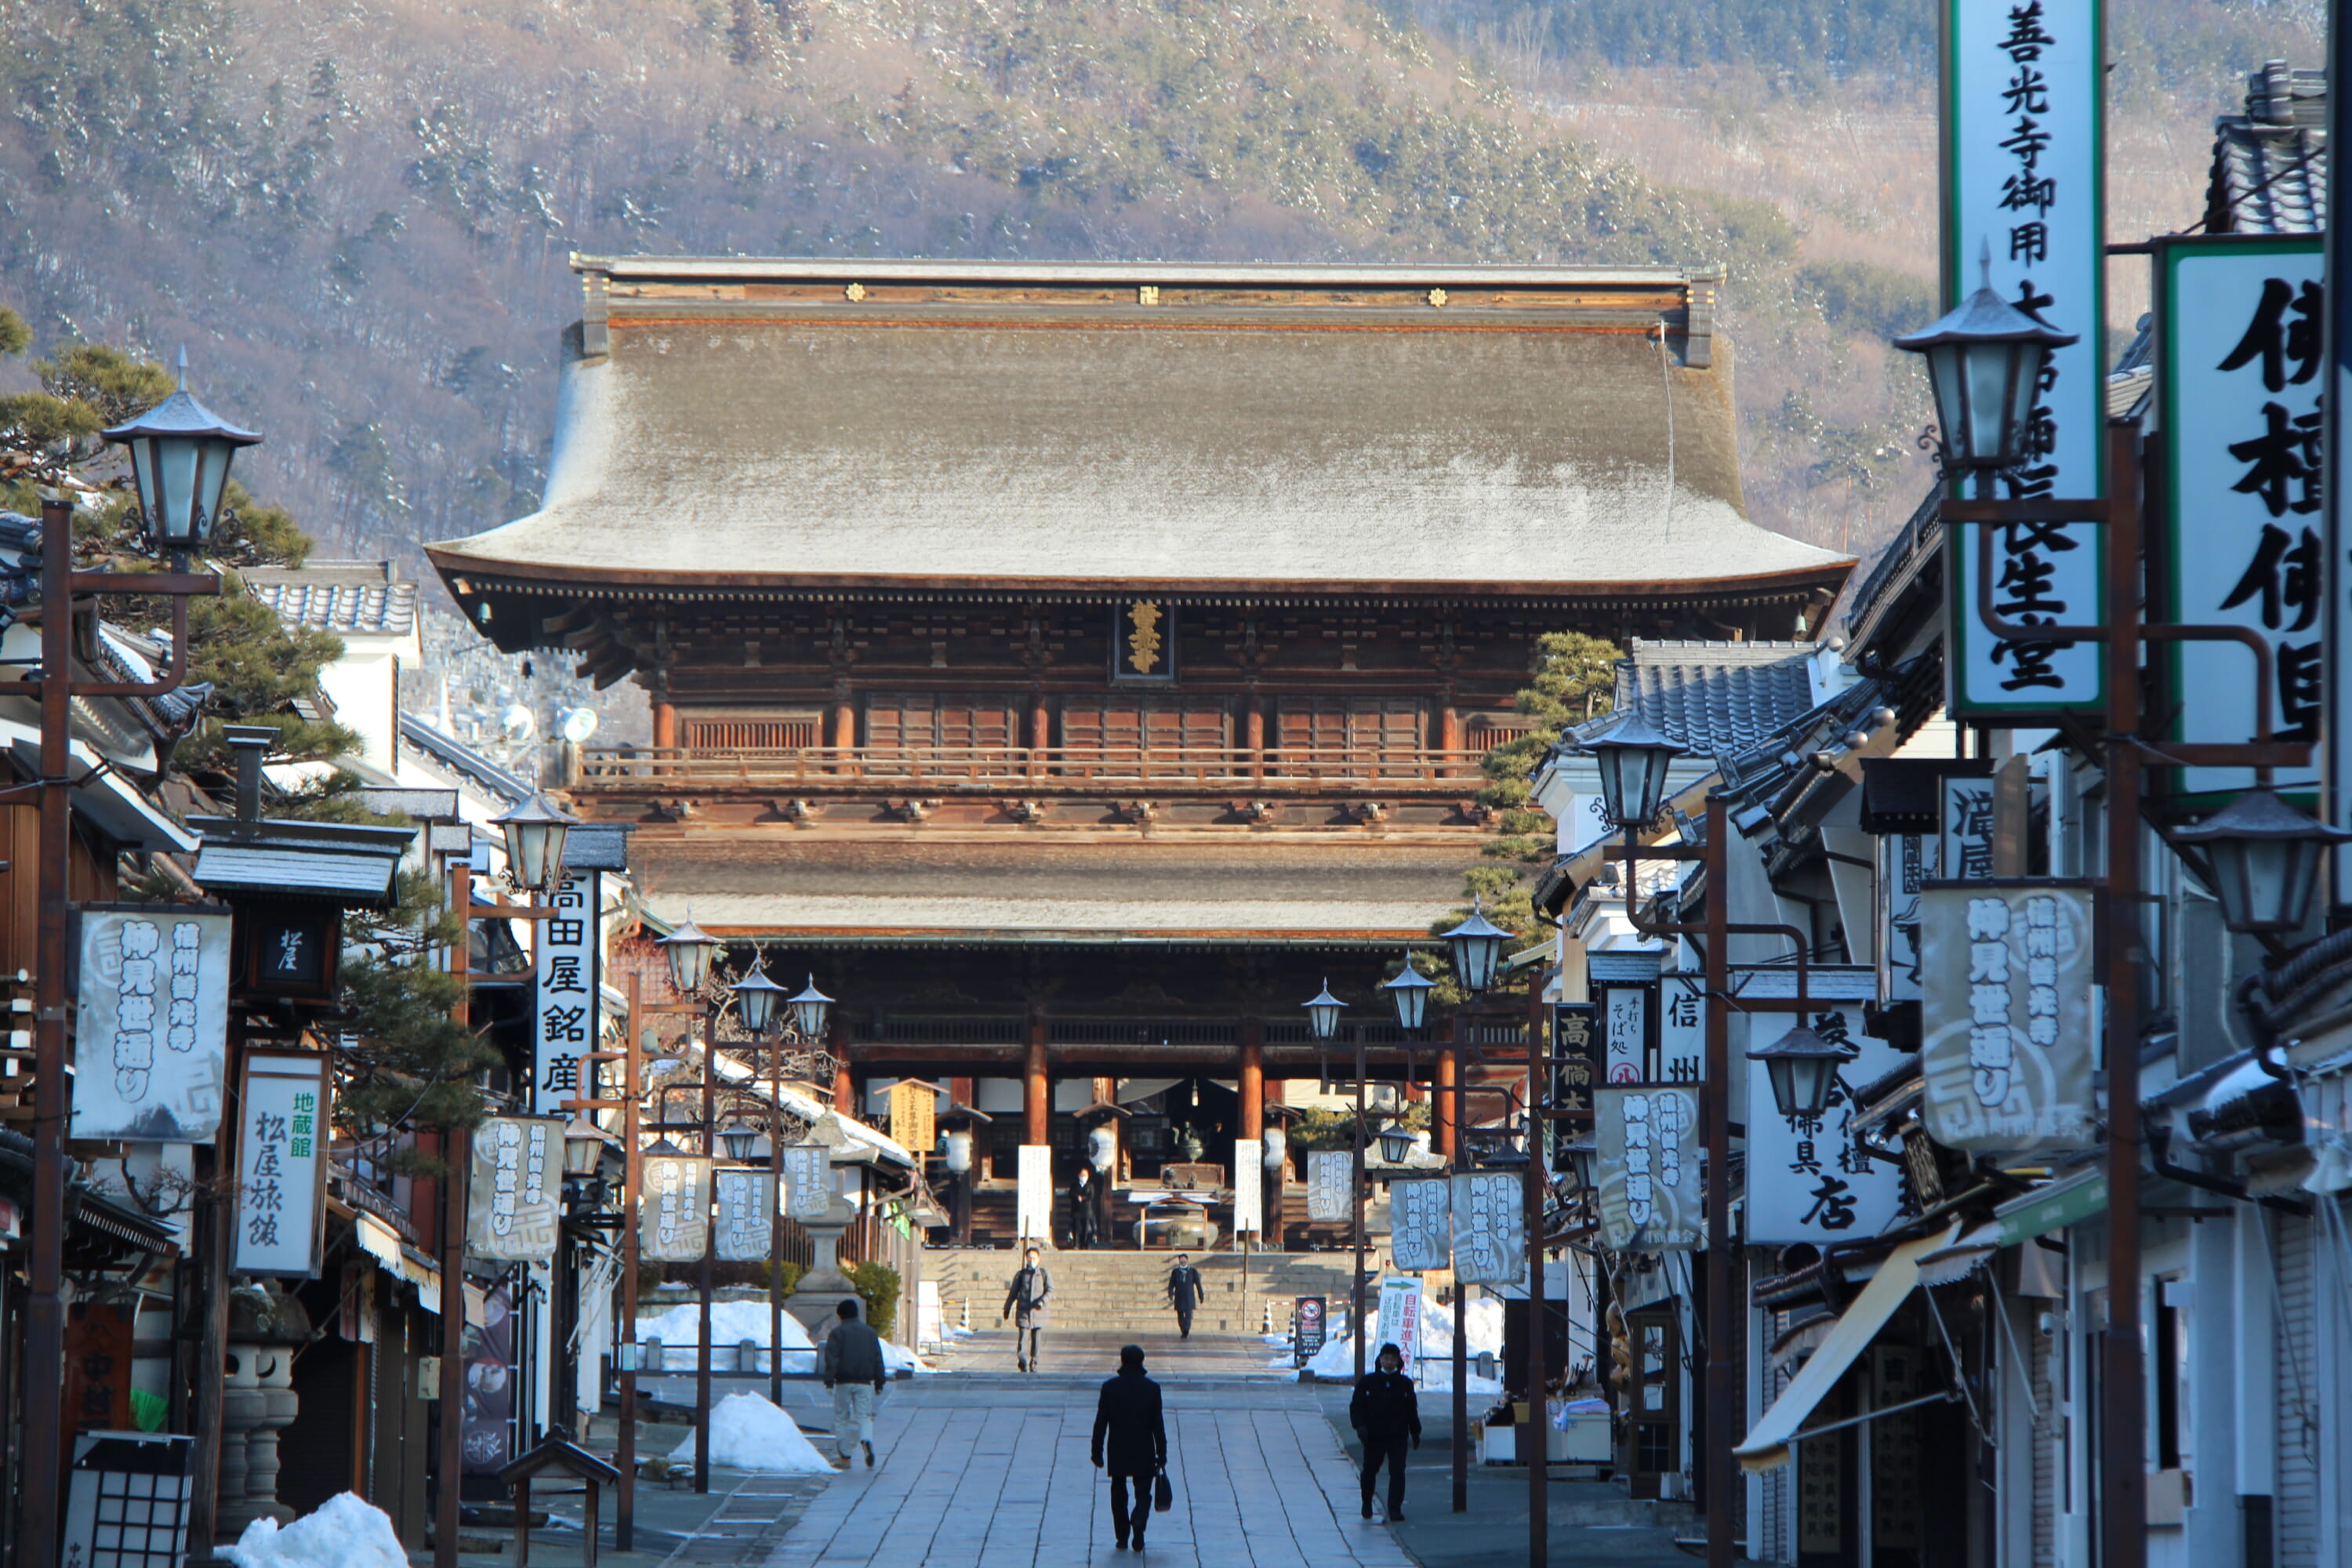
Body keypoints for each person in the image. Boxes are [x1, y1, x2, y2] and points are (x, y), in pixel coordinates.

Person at [1091, 1343, 1168, 1552]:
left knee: (1118, 1492)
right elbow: (1157, 1424)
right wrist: (1162, 1452)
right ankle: (1139, 1519)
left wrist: (1096, 1450)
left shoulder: (1110, 1387)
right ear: (1142, 1362)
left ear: (1122, 1361)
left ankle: (1122, 1536)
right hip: (1144, 1447)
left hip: (1118, 1447)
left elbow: (1101, 1422)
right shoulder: (1152, 1388)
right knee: (1143, 1491)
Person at [1349, 1341, 1421, 1522]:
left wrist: (1415, 1431)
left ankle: (1394, 1509)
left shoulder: (1405, 1384)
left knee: (1397, 1472)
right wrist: (1360, 1426)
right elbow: (1356, 1406)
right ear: (1380, 1359)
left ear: (1398, 1361)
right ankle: (1367, 1503)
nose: (1389, 1362)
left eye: (1393, 1359)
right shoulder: (1368, 1382)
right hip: (1374, 1435)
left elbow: (1412, 1409)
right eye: (1386, 1358)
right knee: (1369, 1472)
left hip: (1398, 1436)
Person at [816, 1297, 887, 1470]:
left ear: (841, 1316)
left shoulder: (837, 1333)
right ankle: (866, 1440)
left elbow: (832, 1359)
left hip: (843, 1381)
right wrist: (879, 1380)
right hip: (864, 1381)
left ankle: (845, 1457)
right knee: (864, 1416)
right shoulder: (870, 1333)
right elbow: (877, 1358)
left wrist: (829, 1380)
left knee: (842, 1418)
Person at [1003, 1246, 1052, 1372]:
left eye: (1034, 1258)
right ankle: (1022, 1361)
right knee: (1022, 1338)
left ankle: (1034, 1361)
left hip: (1038, 1312)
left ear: (1039, 1259)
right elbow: (1013, 1293)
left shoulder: (1044, 1274)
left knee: (1036, 1338)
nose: (1031, 1260)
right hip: (1023, 1311)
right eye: (1029, 1258)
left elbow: (1050, 1290)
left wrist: (1042, 1301)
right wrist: (1007, 1308)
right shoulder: (1021, 1275)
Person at [1164, 1252, 1203, 1340]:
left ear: (1187, 1260)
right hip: (1179, 1297)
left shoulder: (1192, 1271)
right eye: (1181, 1260)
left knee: (1188, 1315)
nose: (1183, 1262)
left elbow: (1198, 1284)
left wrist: (1201, 1295)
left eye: (1184, 1260)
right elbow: (1172, 1284)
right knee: (1180, 1316)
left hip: (1189, 1297)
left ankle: (1186, 1329)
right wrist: (1171, 1293)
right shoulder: (1176, 1272)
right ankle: (1183, 1330)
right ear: (1179, 1261)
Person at [1073, 1164, 1099, 1250]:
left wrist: (1083, 1198)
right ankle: (1076, 1244)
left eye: (1085, 1175)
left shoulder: (1090, 1185)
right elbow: (1070, 1194)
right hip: (1077, 1210)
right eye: (1082, 1175)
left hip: (1087, 1210)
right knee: (1077, 1228)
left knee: (1086, 1229)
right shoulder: (1075, 1185)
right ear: (1079, 1175)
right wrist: (1077, 1197)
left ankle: (1085, 1244)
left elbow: (1091, 1196)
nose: (1083, 1177)